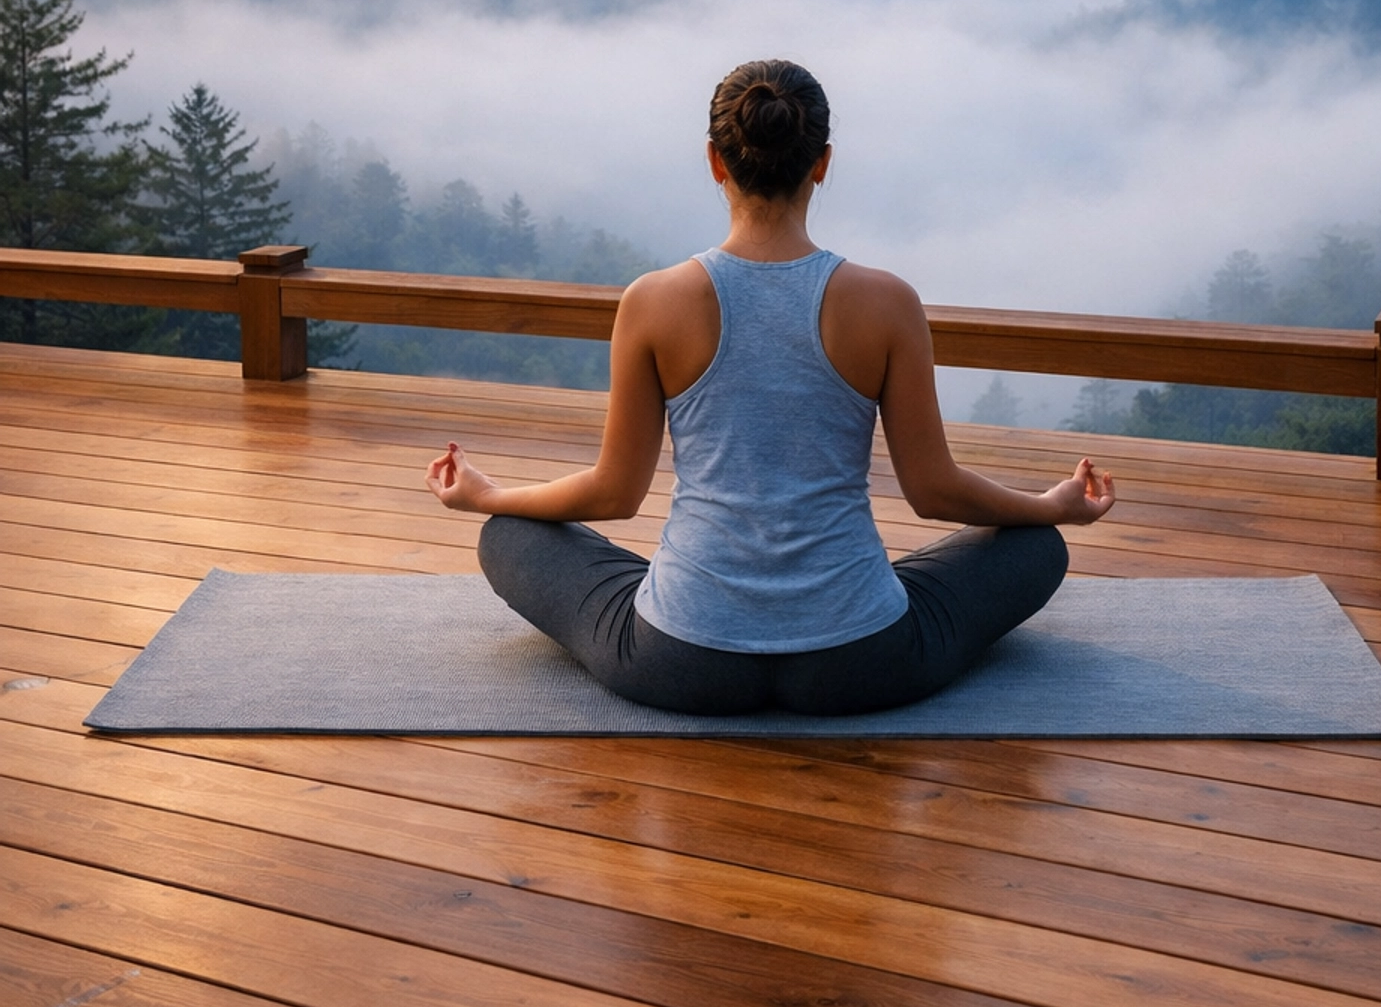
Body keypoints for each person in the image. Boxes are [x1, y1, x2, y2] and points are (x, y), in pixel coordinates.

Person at [427, 58, 1114, 716]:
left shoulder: (653, 301)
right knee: (1035, 545)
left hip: (680, 659)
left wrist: (488, 495)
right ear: (822, 163)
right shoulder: (887, 302)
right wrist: (1049, 505)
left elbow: (614, 494)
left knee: (507, 536)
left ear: (715, 161)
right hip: (864, 659)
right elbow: (935, 492)